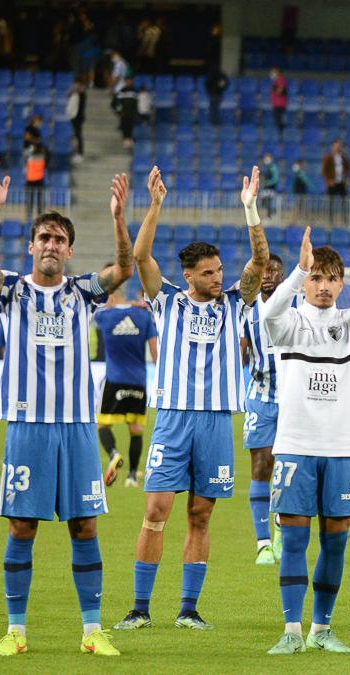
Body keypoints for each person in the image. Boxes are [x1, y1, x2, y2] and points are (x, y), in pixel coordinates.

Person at [0, 158, 134, 657]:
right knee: (22, 527)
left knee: (85, 526)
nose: (50, 245)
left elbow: (124, 270)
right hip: (27, 426)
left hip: (78, 428)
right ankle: (16, 631)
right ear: (31, 246)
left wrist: (118, 219)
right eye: (43, 237)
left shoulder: (83, 292)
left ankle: (92, 631)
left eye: (59, 239)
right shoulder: (13, 290)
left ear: (69, 250)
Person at [114, 166, 269, 632]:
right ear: (189, 276)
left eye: (219, 270)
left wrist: (250, 209)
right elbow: (140, 255)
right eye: (208, 273)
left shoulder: (235, 303)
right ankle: (139, 608)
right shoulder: (167, 300)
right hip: (174, 418)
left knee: (201, 516)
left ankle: (188, 609)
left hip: (217, 421)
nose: (218, 277)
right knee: (155, 512)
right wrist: (156, 204)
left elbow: (260, 261)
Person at [263, 226, 350, 654]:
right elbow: (267, 315)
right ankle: (291, 630)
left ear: (341, 284)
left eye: (331, 279)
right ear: (305, 281)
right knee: (295, 541)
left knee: (336, 540)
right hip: (295, 446)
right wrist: (297, 271)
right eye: (316, 278)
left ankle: (321, 628)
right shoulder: (289, 323)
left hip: (341, 449)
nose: (323, 286)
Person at [239, 253, 289, 566]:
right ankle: (263, 544)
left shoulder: (297, 304)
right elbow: (240, 349)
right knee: (261, 465)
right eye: (265, 270)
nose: (268, 275)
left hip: (293, 398)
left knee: (288, 468)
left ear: (283, 276)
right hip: (260, 396)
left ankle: (282, 526)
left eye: (275, 270)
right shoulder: (246, 309)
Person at [94, 274, 158, 489]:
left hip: (114, 379)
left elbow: (95, 311)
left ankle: (113, 454)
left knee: (102, 424)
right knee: (136, 429)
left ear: (110, 295)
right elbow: (154, 350)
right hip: (139, 381)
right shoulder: (143, 316)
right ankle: (132, 476)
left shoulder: (105, 316)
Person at [322, 139, 350, 226]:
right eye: (336, 146)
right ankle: (330, 220)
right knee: (331, 202)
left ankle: (345, 220)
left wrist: (346, 177)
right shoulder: (328, 158)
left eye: (339, 146)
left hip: (341, 182)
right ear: (332, 147)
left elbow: (348, 168)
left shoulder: (343, 158)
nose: (337, 148)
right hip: (332, 183)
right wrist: (328, 180)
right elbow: (324, 171)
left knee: (344, 201)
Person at [22, 132, 48, 224]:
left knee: (35, 199)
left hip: (35, 179)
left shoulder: (37, 152)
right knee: (34, 199)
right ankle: (33, 216)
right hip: (35, 179)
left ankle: (34, 216)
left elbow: (25, 157)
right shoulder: (39, 152)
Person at [113, 77, 138, 149]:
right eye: (127, 81)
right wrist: (119, 112)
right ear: (125, 82)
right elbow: (115, 103)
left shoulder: (135, 91)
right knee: (125, 127)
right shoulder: (121, 91)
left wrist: (136, 112)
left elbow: (138, 103)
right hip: (124, 114)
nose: (129, 82)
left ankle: (130, 140)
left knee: (131, 127)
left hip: (132, 114)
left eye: (130, 81)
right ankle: (125, 140)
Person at [66, 80, 86, 163]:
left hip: (78, 118)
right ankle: (74, 152)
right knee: (73, 136)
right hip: (73, 117)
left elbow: (80, 93)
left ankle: (80, 154)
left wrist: (77, 89)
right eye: (75, 85)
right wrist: (72, 90)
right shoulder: (74, 93)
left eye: (77, 85)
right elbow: (67, 94)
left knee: (78, 135)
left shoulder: (82, 94)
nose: (76, 86)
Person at [270, 67, 288, 137]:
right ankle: (281, 134)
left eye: (273, 72)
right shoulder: (276, 80)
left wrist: (273, 88)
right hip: (276, 103)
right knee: (277, 120)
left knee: (279, 120)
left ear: (277, 72)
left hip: (280, 104)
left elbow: (280, 91)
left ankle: (282, 134)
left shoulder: (280, 79)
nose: (271, 74)